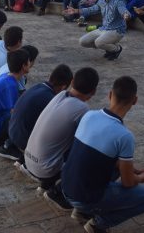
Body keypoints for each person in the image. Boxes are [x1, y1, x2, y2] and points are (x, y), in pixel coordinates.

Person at [62, 76, 144, 232]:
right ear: (135, 101)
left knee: (113, 164)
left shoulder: (89, 115)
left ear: (110, 95)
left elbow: (96, 156)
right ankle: (98, 223)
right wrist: (142, 177)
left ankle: (82, 211)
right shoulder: (125, 136)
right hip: (84, 198)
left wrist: (132, 170)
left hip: (66, 188)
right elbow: (128, 182)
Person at [21, 68, 99, 210]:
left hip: (27, 159)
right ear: (93, 92)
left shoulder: (60, 95)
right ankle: (60, 193)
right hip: (45, 170)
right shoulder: (82, 109)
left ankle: (47, 184)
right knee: (87, 154)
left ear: (72, 82)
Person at [5, 64, 73, 158]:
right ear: (63, 87)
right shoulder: (51, 100)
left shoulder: (38, 86)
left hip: (12, 131)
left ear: (51, 76)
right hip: (22, 141)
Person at [66, 0, 131, 60]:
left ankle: (117, 49)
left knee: (98, 42)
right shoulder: (101, 0)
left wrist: (125, 14)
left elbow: (123, 9)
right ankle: (108, 48)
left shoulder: (118, 0)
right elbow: (92, 9)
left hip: (116, 30)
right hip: (104, 28)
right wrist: (76, 11)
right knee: (83, 42)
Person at [0, 49, 32, 147]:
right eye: (29, 61)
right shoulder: (9, 85)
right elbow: (14, 112)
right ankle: (9, 146)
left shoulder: (7, 77)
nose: (30, 63)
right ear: (23, 66)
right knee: (26, 119)